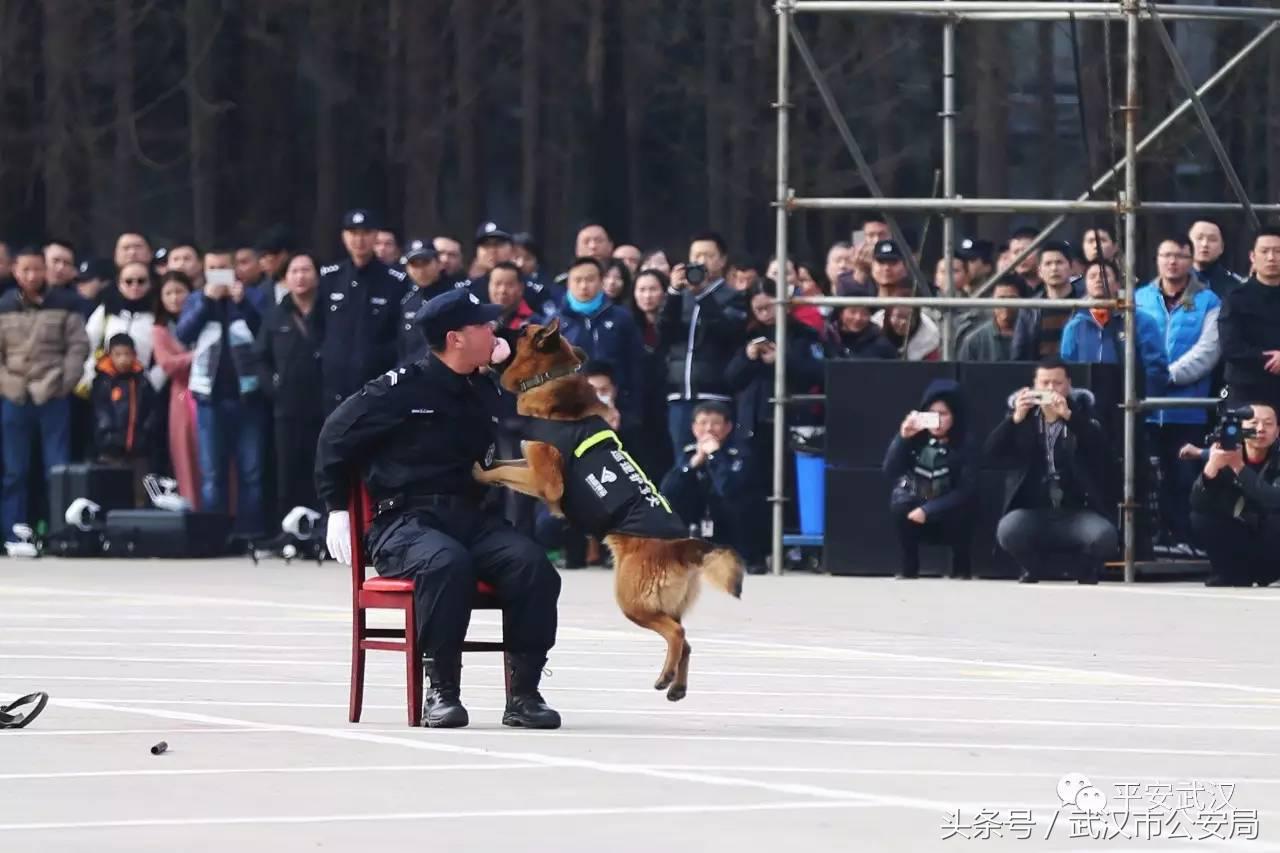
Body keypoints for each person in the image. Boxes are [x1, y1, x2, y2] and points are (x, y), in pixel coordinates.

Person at [315, 288, 561, 730]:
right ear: (455, 338)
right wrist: (336, 507)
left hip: (469, 517)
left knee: (532, 566)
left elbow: (543, 397)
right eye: (482, 325)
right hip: (404, 521)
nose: (493, 330)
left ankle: (524, 695)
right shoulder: (401, 388)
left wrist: (509, 362)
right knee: (447, 564)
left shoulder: (482, 387)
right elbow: (335, 434)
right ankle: (442, 691)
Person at [984, 358, 1118, 583]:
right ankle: (1033, 568)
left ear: (1069, 385)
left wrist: (1070, 418)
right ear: (1034, 385)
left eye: (1057, 383)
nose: (1050, 389)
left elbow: (1103, 453)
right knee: (1008, 530)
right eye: (1044, 383)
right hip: (1035, 510)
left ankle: (1083, 569)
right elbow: (990, 453)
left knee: (1104, 536)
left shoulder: (1083, 413)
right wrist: (1014, 419)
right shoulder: (1023, 418)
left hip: (1077, 510)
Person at [1134, 237, 1222, 549]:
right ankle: (1150, 542)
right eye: (1166, 255)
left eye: (1180, 256)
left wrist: (1164, 375)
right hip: (1143, 408)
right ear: (1157, 259)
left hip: (1187, 408)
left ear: (1190, 259)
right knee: (1144, 479)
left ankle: (1187, 542)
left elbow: (1208, 351)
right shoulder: (1139, 298)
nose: (1172, 262)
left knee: (1184, 479)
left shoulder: (1208, 300)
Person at [0, 247, 90, 542]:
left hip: (53, 393)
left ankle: (60, 532)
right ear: (15, 271)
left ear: (45, 270)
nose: (31, 275)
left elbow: (78, 346)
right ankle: (14, 533)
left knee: (57, 469)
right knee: (15, 471)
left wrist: (65, 382)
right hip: (14, 395)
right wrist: (6, 383)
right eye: (25, 270)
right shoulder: (4, 305)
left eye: (37, 269)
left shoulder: (65, 303)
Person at [660, 232, 747, 461]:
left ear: (722, 260)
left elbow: (727, 332)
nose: (701, 261)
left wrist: (703, 294)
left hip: (715, 394)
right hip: (679, 394)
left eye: (708, 255)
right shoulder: (680, 296)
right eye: (696, 256)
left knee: (717, 460)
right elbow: (664, 334)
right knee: (683, 462)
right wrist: (673, 293)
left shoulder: (733, 296)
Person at [313, 209, 408, 415]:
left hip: (377, 383)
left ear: (375, 236)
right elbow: (317, 326)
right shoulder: (330, 277)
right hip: (335, 385)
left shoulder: (395, 280)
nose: (359, 239)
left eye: (365, 233)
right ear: (343, 236)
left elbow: (400, 333)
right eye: (353, 233)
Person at [255, 253, 325, 522]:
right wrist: (272, 387)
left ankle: (321, 529)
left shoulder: (331, 312)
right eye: (294, 271)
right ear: (285, 278)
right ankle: (288, 530)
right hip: (287, 407)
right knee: (287, 472)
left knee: (322, 470)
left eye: (306, 270)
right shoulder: (275, 315)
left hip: (325, 405)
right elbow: (260, 357)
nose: (300, 276)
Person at [883, 380, 977, 579]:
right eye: (932, 414)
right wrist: (902, 438)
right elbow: (891, 470)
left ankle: (961, 567)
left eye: (943, 414)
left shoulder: (965, 443)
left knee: (965, 508)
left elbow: (965, 489)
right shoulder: (916, 438)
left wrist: (929, 509)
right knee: (900, 502)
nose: (937, 420)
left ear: (955, 416)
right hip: (918, 499)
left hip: (948, 508)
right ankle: (909, 567)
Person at [1188, 403, 1280, 587]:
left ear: (1277, 431)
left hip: (1271, 540)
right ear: (1240, 430)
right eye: (1253, 423)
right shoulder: (1226, 450)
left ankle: (1265, 573)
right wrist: (1211, 469)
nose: (1260, 429)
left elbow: (1274, 499)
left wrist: (1239, 467)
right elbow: (1197, 502)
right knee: (1200, 516)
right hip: (1239, 531)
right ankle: (1229, 572)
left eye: (1268, 424)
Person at [660, 401, 754, 561]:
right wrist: (693, 464)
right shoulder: (689, 452)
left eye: (715, 423)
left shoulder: (739, 452)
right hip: (697, 514)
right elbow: (667, 490)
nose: (709, 429)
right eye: (703, 423)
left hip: (727, 518)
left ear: (728, 427)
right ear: (694, 428)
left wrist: (715, 455)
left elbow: (728, 487)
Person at [1059, 258, 1168, 395]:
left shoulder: (1140, 320)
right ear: (1085, 284)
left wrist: (1141, 399)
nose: (1098, 280)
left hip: (1129, 401)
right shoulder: (1075, 325)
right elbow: (1067, 367)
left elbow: (1156, 368)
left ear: (1117, 284)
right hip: (1088, 401)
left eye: (1104, 275)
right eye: (1092, 276)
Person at [1218, 226, 1280, 413]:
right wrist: (1270, 358)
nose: (1271, 257)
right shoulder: (1235, 298)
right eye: (1264, 251)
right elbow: (1230, 347)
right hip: (1246, 390)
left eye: (1278, 251)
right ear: (1252, 256)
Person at [91, 333, 160, 501]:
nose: (123, 359)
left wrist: (145, 432)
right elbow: (100, 412)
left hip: (139, 449)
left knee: (140, 493)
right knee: (111, 493)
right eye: (118, 354)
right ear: (110, 356)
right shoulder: (102, 381)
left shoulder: (142, 381)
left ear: (134, 355)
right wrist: (108, 435)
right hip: (110, 449)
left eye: (127, 354)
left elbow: (152, 409)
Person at [956, 274, 1026, 363]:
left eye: (1012, 299)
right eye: (1001, 298)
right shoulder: (974, 341)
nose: (1006, 304)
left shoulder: (1033, 337)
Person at [1188, 219, 1245, 301]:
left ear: (1222, 247)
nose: (1205, 244)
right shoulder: (1173, 281)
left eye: (1212, 239)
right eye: (1199, 238)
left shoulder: (1236, 286)